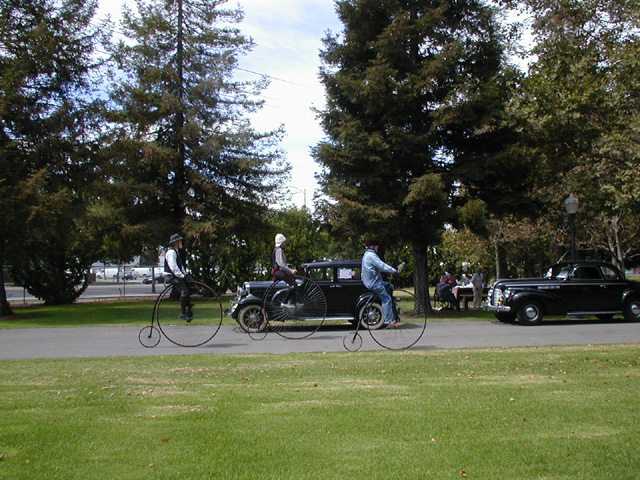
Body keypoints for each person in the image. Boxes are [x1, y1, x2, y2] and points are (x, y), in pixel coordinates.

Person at [361, 238, 403, 327]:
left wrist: (390, 271)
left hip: (374, 281)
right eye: (377, 247)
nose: (377, 248)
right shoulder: (371, 255)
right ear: (373, 247)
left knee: (390, 286)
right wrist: (394, 271)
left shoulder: (367, 254)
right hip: (374, 283)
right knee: (386, 299)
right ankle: (390, 321)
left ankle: (392, 308)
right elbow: (381, 265)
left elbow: (379, 267)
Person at [164, 234, 192, 321]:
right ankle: (182, 313)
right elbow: (173, 267)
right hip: (170, 276)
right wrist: (182, 276)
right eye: (179, 241)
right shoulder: (171, 252)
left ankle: (188, 307)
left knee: (189, 286)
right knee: (184, 291)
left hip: (175, 275)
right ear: (176, 243)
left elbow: (180, 266)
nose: (181, 242)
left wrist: (186, 275)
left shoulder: (176, 252)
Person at [272, 233, 298, 307]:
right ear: (281, 242)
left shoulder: (276, 249)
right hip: (279, 272)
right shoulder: (279, 250)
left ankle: (294, 302)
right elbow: (281, 264)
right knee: (293, 284)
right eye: (284, 242)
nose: (285, 243)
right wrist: (290, 270)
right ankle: (285, 302)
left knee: (293, 281)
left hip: (278, 271)